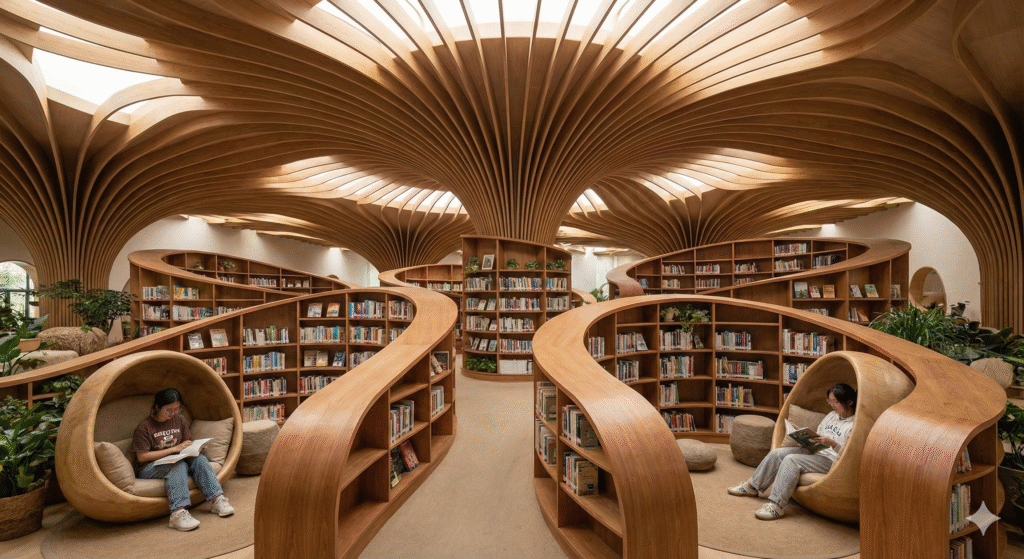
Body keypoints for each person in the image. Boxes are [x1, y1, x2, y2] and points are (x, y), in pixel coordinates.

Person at [726, 383, 857, 520]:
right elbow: (819, 435)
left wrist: (832, 443)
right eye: (830, 401)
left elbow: (849, 454)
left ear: (849, 402)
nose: (832, 405)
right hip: (816, 451)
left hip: (831, 460)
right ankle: (752, 486)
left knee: (791, 460)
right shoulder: (831, 415)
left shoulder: (854, 424)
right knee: (777, 453)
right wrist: (804, 436)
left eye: (836, 401)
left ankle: (777, 506)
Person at [132, 388, 234, 531]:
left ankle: (217, 499)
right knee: (177, 466)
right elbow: (142, 457)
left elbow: (186, 443)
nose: (173, 414)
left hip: (176, 458)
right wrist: (173, 449)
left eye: (177, 409)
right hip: (150, 467)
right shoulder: (144, 427)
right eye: (168, 410)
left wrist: (195, 447)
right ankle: (177, 514)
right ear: (157, 407)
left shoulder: (179, 420)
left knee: (199, 459)